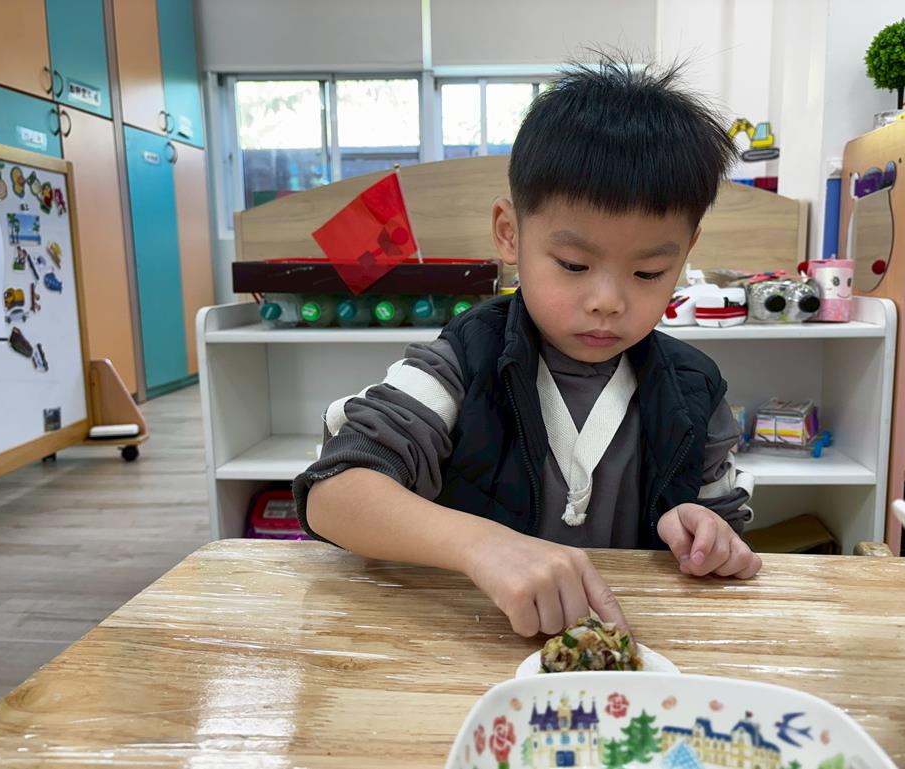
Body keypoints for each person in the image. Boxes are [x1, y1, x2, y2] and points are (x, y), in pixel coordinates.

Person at [295, 56, 761, 639]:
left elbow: (723, 524)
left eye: (649, 272)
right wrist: (480, 545)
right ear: (509, 233)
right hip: (476, 645)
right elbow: (333, 493)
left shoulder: (695, 389)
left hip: (631, 649)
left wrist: (703, 533)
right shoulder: (461, 362)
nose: (607, 301)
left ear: (686, 251)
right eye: (573, 265)